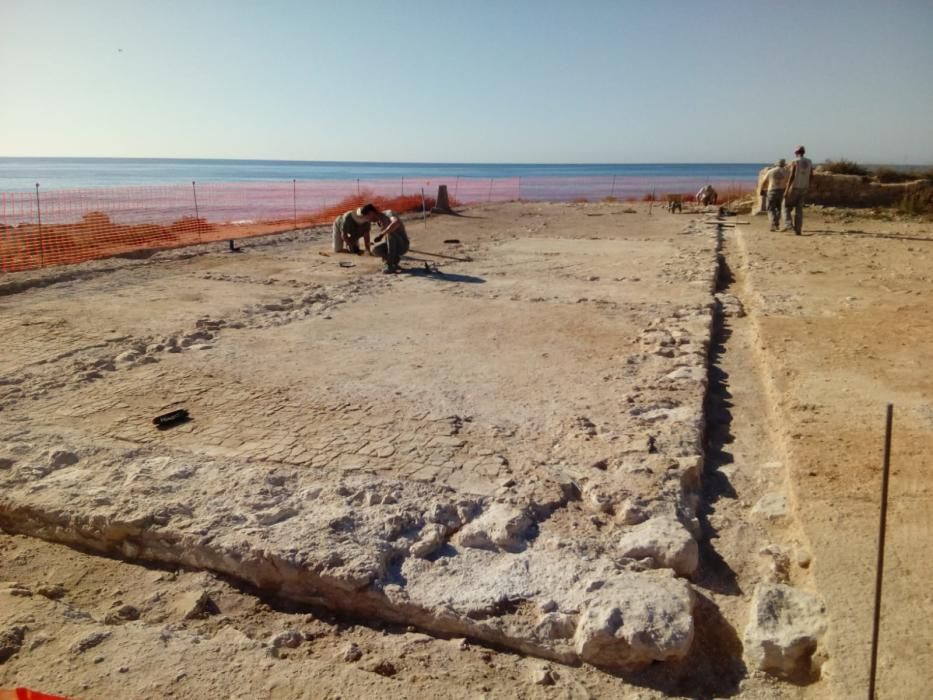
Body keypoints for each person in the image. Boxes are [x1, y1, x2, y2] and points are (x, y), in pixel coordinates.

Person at [783, 145, 814, 235]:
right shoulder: (809, 161)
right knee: (799, 209)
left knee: (785, 206)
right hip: (804, 187)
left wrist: (787, 189)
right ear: (803, 152)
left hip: (795, 187)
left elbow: (792, 176)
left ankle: (788, 225)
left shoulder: (795, 161)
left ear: (796, 153)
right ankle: (798, 230)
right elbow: (811, 175)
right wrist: (809, 186)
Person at [371, 207, 409, 273]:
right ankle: (394, 260)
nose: (367, 219)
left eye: (367, 216)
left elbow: (396, 222)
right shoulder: (379, 222)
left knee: (389, 233)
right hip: (393, 245)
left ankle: (390, 265)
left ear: (371, 213)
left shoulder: (389, 213)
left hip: (402, 245)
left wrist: (381, 234)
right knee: (375, 250)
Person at [761, 158, 789, 231]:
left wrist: (762, 190)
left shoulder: (771, 171)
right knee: (780, 209)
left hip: (772, 191)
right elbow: (789, 182)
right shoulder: (787, 172)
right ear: (784, 164)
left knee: (770, 208)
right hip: (782, 191)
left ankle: (774, 224)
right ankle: (776, 223)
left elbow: (764, 181)